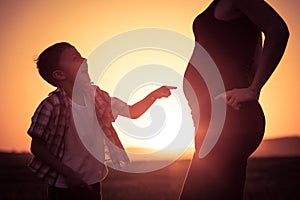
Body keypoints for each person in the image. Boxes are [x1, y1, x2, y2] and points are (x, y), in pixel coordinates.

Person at [27, 42, 175, 200]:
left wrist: (153, 95)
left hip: (93, 180)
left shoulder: (97, 97)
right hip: (64, 185)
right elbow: (37, 146)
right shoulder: (51, 105)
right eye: (76, 59)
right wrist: (68, 174)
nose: (84, 60)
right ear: (60, 75)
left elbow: (132, 112)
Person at [180, 0, 289, 199]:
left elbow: (278, 31)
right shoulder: (219, 5)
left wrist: (253, 89)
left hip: (231, 119)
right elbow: (256, 49)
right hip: (217, 120)